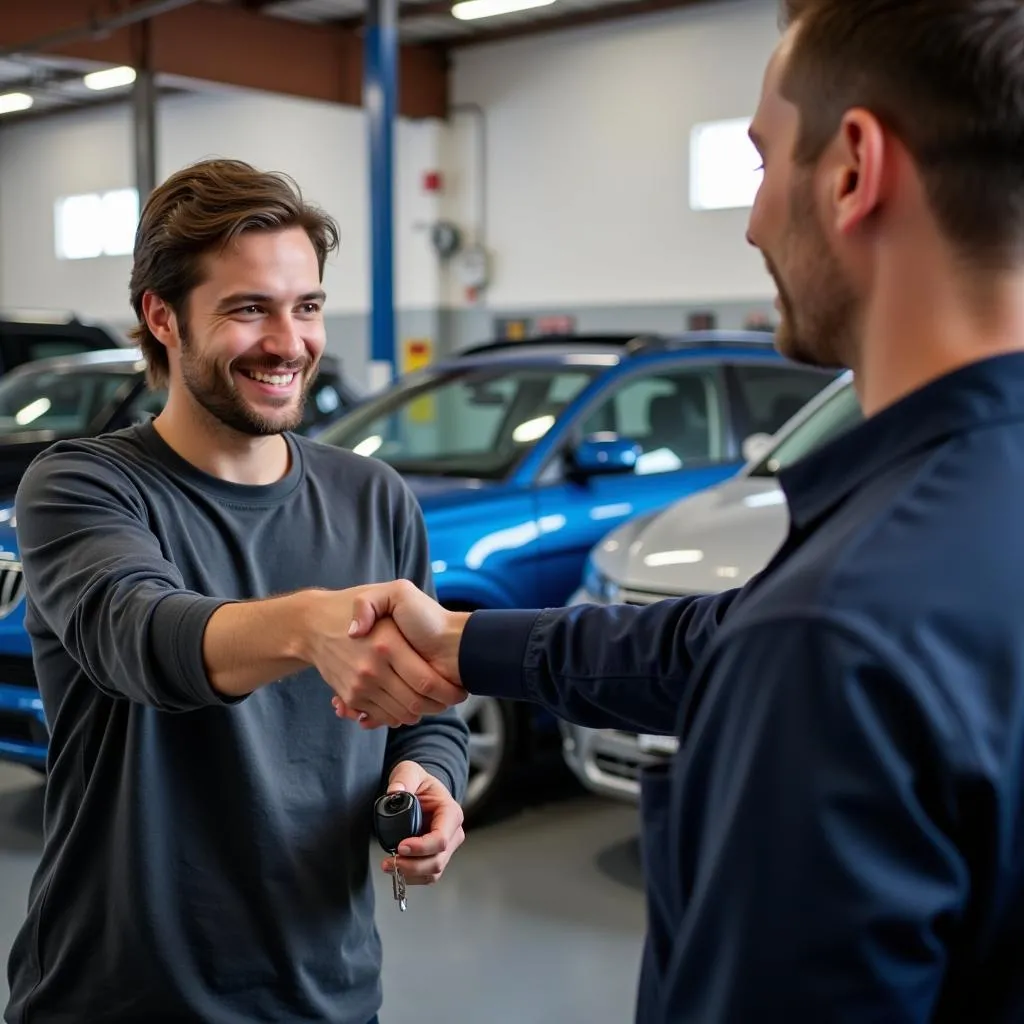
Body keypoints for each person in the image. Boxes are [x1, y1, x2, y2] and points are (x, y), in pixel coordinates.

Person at [328, 1, 1024, 1021]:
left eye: (760, 160)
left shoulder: (835, 633)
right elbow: (711, 642)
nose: (749, 221)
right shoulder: (925, 541)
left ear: (852, 170)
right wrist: (462, 642)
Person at [4, 158, 469, 1024]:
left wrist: (425, 773)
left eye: (307, 307)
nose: (289, 342)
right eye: (249, 308)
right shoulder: (81, 485)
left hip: (326, 994)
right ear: (162, 317)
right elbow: (139, 634)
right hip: (119, 997)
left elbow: (428, 707)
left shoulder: (373, 498)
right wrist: (306, 625)